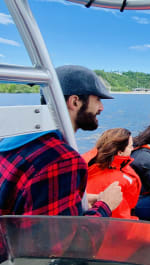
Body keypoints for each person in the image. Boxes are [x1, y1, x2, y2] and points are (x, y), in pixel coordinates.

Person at [0, 65, 122, 217]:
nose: (102, 107)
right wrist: (105, 206)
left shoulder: (14, 139)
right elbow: (64, 240)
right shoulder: (61, 159)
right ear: (75, 102)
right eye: (97, 100)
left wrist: (75, 199)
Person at [82, 128, 141, 220]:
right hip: (114, 223)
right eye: (130, 146)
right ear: (120, 152)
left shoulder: (91, 165)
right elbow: (120, 219)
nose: (133, 149)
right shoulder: (116, 182)